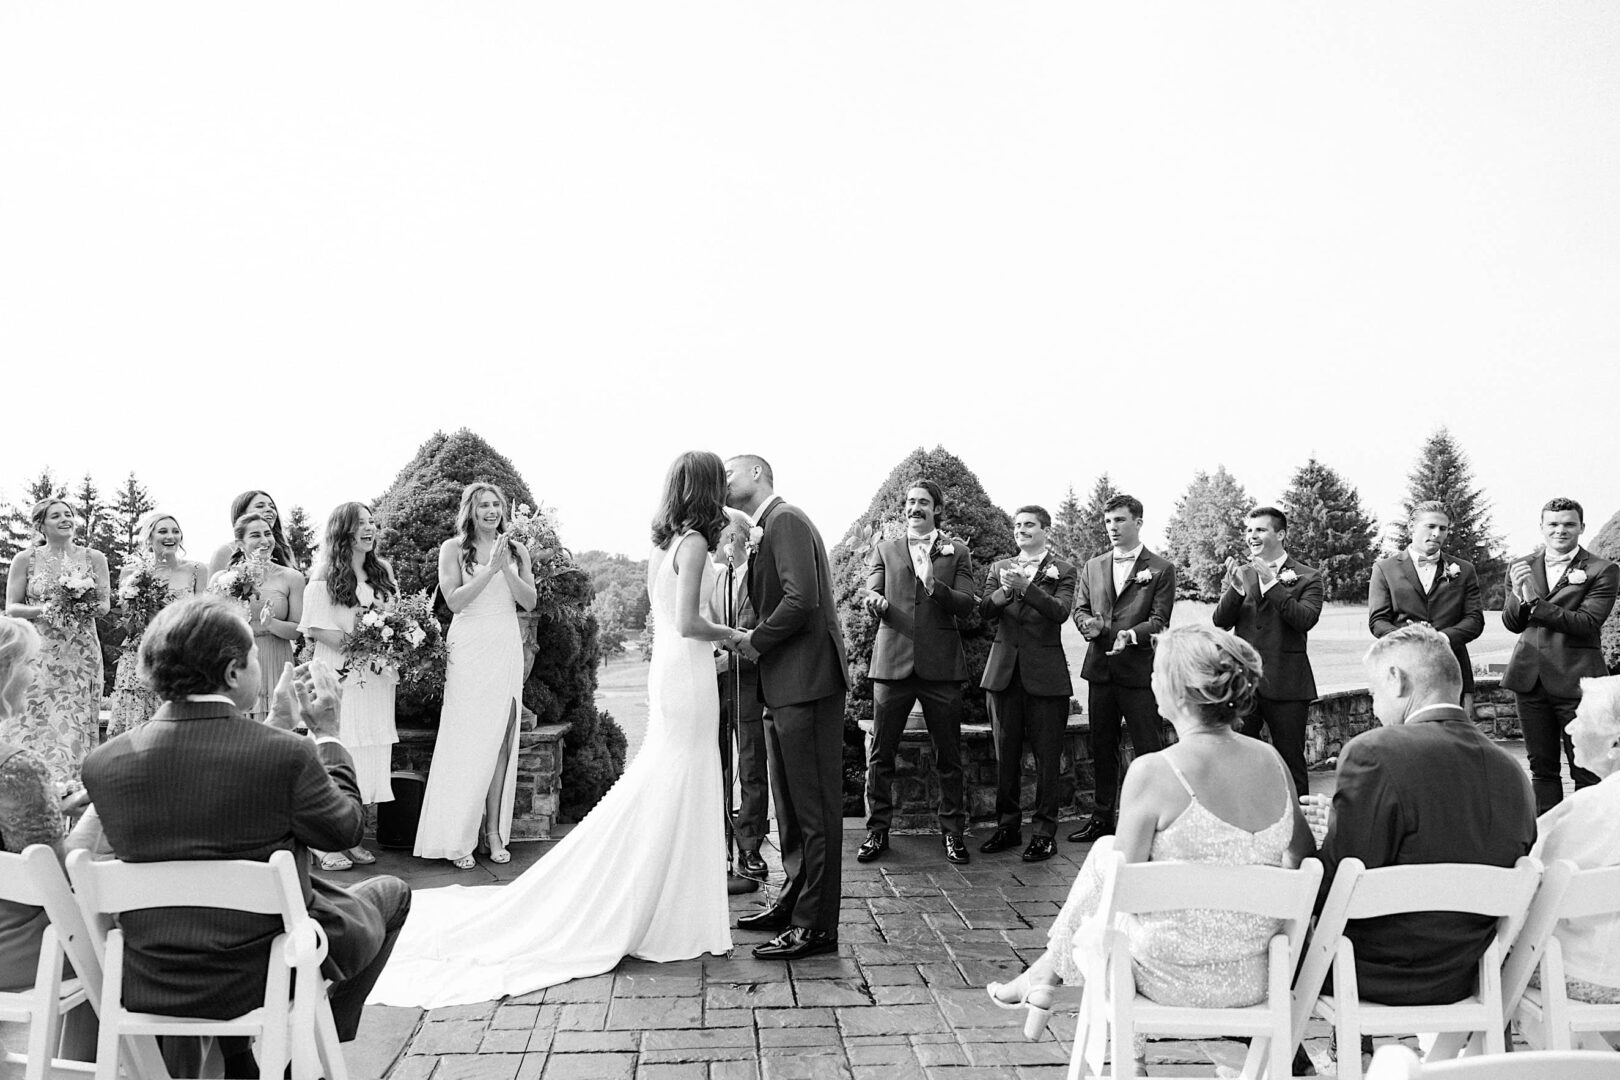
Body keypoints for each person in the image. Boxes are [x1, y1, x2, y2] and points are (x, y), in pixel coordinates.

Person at [367, 451, 739, 1007]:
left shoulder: (664, 545)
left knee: (669, 778)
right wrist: (736, 636)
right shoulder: (694, 544)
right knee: (676, 777)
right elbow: (688, 621)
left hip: (664, 671)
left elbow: (653, 618)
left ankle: (668, 897)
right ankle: (666, 907)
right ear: (708, 487)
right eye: (723, 481)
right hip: (681, 672)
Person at [79, 595, 411, 1074]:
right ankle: (313, 1048)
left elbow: (200, 809)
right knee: (392, 895)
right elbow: (344, 830)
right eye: (255, 657)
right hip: (263, 976)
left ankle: (240, 1063)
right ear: (234, 673)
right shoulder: (286, 755)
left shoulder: (104, 763)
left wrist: (277, 725)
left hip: (150, 976)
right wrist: (329, 736)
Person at [986, 625, 1314, 1043]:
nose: (1150, 680)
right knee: (1109, 855)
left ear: (1179, 692)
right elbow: (1301, 859)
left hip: (1165, 979)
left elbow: (1121, 895)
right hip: (1254, 978)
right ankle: (1043, 975)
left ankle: (1054, 983)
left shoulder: (1154, 772)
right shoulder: (1273, 762)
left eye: (1156, 672)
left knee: (1108, 863)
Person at [1310, 624, 1536, 1006]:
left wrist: (1312, 843)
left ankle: (1296, 1062)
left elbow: (1339, 881)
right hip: (1470, 973)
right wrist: (1339, 819)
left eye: (1373, 692)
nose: (1375, 706)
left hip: (1373, 969)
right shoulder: (1512, 770)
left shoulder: (1373, 752)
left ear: (1397, 680)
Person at [728, 453, 849, 961]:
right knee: (793, 812)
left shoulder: (787, 520)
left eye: (728, 473)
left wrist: (753, 640)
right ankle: (793, 901)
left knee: (816, 811)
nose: (722, 482)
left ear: (757, 474)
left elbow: (801, 601)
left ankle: (816, 927)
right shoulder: (768, 527)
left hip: (808, 684)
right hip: (784, 687)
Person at [414, 483, 537, 870]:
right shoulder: (453, 549)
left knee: (500, 740)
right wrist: (489, 572)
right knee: (467, 738)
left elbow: (530, 601)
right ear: (471, 510)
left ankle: (493, 833)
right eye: (483, 504)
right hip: (468, 646)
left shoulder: (516, 550)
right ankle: (459, 834)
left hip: (504, 645)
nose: (491, 511)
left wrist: (506, 568)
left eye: (496, 504)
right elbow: (453, 602)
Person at [859, 479, 978, 865]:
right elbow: (873, 590)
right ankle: (877, 833)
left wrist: (934, 585)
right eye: (910, 502)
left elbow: (965, 605)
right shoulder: (885, 548)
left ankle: (953, 834)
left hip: (941, 668)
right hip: (892, 665)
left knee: (949, 757)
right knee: (881, 754)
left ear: (937, 509)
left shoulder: (956, 551)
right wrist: (874, 600)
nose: (915, 508)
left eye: (923, 503)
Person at [1069, 494, 1176, 844]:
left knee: (1148, 748)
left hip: (1139, 672)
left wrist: (1128, 635)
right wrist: (1089, 625)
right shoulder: (1093, 565)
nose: (1112, 527)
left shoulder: (1160, 569)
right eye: (1109, 521)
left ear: (1138, 522)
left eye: (1120, 520)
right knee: (1102, 747)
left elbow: (1160, 621)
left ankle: (1154, 822)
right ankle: (1102, 818)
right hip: (1100, 671)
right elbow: (1080, 608)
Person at [1501, 497, 1619, 813]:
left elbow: (1586, 623)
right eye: (1553, 524)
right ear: (1542, 527)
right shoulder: (1521, 565)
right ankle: (1546, 840)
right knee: (1541, 768)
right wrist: (1516, 595)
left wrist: (1533, 601)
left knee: (1586, 770)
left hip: (1578, 681)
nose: (1560, 530)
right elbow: (1513, 623)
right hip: (1529, 679)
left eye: (1568, 524)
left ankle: (1585, 844)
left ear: (1581, 527)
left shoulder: (1602, 570)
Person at [299, 502, 398, 871]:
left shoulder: (382, 571)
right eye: (361, 524)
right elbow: (317, 628)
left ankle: (353, 835)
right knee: (340, 749)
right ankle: (326, 843)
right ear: (344, 530)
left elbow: (396, 617)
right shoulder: (324, 573)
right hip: (340, 672)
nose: (370, 529)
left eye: (372, 522)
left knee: (370, 749)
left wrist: (392, 640)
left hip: (375, 675)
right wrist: (363, 640)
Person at [978, 505, 1076, 862]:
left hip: (1046, 676)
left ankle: (1045, 832)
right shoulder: (998, 567)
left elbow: (1060, 612)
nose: (1021, 530)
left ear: (1045, 530)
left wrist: (1029, 588)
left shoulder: (1062, 570)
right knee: (1005, 756)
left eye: (1029, 525)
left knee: (1048, 758)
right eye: (1017, 525)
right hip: (1003, 674)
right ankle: (1007, 827)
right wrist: (1006, 592)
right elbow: (985, 610)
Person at [1212, 506, 1323, 798]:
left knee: (1291, 762)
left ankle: (1301, 830)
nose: (1252, 536)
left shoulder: (1308, 577)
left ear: (1281, 534)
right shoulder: (1243, 575)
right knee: (1240, 760)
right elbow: (1220, 622)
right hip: (1244, 684)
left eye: (1260, 529)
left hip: (1287, 683)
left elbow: (1304, 619)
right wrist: (1234, 589)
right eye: (1249, 530)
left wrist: (1272, 584)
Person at [3, 499, 110, 789]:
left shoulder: (94, 557)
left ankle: (71, 788)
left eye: (68, 514)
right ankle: (27, 782)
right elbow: (12, 607)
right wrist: (48, 609)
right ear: (41, 525)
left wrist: (79, 603)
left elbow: (103, 605)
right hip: (40, 649)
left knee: (74, 716)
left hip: (81, 650)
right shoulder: (26, 559)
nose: (65, 519)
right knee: (34, 715)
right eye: (56, 516)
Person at [1530, 674, 1620, 1005]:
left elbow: (1529, 873)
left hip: (1593, 971)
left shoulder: (1595, 805)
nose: (1569, 729)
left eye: (1579, 719)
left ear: (1615, 743)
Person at [0, 616, 66, 992]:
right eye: (28, 663)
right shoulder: (17, 767)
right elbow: (54, 880)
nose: (35, 675)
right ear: (5, 672)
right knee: (116, 936)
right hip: (14, 945)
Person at [1367, 501, 1484, 710]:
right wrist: (1411, 640)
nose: (1437, 533)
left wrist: (1441, 638)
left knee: (1453, 738)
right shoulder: (1385, 569)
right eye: (1430, 526)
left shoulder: (1464, 570)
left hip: (1452, 669)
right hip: (1403, 670)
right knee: (1405, 739)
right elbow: (1378, 622)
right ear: (1412, 526)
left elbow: (1474, 620)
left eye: (1443, 528)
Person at [108, 511, 209, 736]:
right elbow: (129, 623)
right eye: (162, 531)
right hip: (140, 652)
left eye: (175, 531)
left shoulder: (197, 570)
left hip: (181, 652)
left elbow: (202, 615)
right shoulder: (132, 572)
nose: (170, 536)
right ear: (149, 537)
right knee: (137, 727)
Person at [711, 514, 769, 880]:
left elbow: (766, 628)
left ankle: (749, 847)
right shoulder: (712, 574)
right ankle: (715, 843)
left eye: (721, 532)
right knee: (713, 765)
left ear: (737, 538)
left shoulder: (762, 575)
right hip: (708, 683)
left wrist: (734, 650)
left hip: (747, 681)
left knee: (750, 766)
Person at [213, 511, 306, 721]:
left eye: (268, 534)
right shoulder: (223, 579)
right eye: (255, 535)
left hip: (276, 657)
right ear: (240, 543)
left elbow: (296, 631)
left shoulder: (292, 577)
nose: (264, 540)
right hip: (238, 660)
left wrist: (270, 623)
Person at [207, 490, 298, 575]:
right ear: (242, 514)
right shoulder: (225, 551)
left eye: (272, 506)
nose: (269, 509)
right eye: (260, 506)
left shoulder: (283, 549)